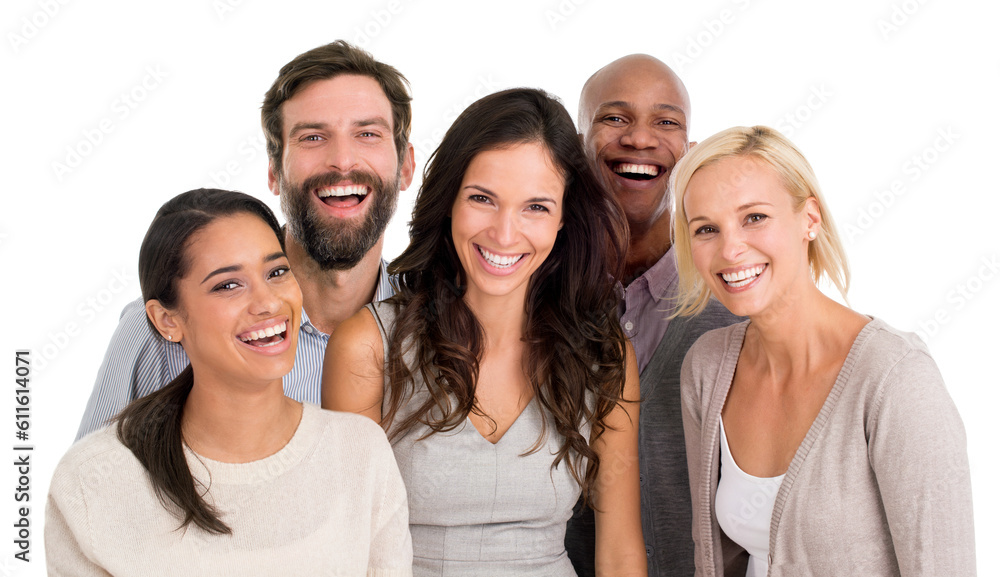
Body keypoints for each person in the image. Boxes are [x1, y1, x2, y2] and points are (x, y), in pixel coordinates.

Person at [323, 88, 646, 576]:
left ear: (563, 218)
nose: (504, 233)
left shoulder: (604, 357)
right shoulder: (368, 346)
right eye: (482, 199)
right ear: (449, 200)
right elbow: (346, 551)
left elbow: (620, 555)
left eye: (536, 207)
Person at [46, 189, 412, 574]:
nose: (268, 302)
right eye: (227, 285)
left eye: (277, 272)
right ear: (166, 320)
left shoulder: (361, 453)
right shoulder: (92, 482)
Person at [672, 126, 976, 576]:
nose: (730, 249)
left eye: (754, 217)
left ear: (809, 219)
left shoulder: (895, 379)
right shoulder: (708, 367)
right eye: (706, 229)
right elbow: (711, 558)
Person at [75, 40, 415, 439]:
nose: (342, 160)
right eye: (312, 138)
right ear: (274, 171)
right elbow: (89, 490)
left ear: (406, 166)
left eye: (368, 134)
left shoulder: (438, 326)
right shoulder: (170, 324)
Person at [565, 54, 741, 577]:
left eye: (666, 121)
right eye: (614, 117)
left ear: (688, 151)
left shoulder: (734, 296)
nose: (640, 139)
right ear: (577, 145)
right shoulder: (528, 289)